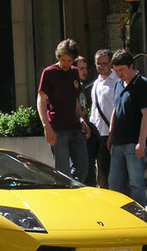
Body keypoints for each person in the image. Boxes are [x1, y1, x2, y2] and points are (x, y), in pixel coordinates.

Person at [37, 39, 90, 181]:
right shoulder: (49, 73)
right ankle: (66, 190)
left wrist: (81, 119)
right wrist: (46, 126)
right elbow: (41, 99)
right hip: (58, 129)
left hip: (75, 127)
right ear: (58, 57)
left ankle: (70, 187)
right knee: (63, 171)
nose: (65, 63)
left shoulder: (74, 72)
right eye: (63, 59)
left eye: (69, 60)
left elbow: (75, 99)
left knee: (83, 167)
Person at [108, 49, 147, 207]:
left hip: (134, 143)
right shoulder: (118, 85)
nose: (119, 73)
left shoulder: (143, 84)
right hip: (118, 142)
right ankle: (117, 216)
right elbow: (115, 110)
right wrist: (111, 134)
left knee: (135, 183)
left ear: (131, 66)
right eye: (116, 70)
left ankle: (140, 216)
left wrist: (141, 142)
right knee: (114, 183)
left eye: (121, 70)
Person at [90, 49, 117, 188]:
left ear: (111, 64)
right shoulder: (96, 83)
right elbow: (94, 110)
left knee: (116, 173)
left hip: (113, 133)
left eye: (104, 63)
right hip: (98, 134)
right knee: (102, 172)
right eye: (98, 64)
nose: (101, 66)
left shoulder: (117, 82)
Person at [74, 55, 99, 187]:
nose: (85, 71)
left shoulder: (81, 85)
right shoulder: (73, 86)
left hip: (86, 128)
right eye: (81, 68)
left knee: (90, 165)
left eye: (85, 68)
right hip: (78, 130)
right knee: (81, 166)